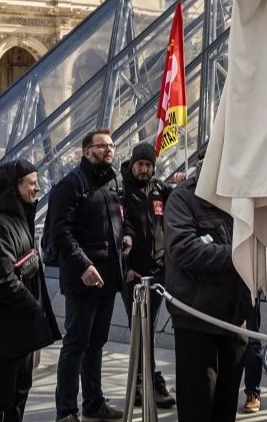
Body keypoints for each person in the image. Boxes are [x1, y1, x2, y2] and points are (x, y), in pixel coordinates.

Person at [164, 151, 253, 422]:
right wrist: (238, 253)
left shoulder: (244, 193)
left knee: (226, 407)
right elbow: (183, 249)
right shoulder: (183, 198)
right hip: (197, 319)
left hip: (236, 318)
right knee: (197, 408)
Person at [47, 129, 126, 422]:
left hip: (108, 279)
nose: (108, 150)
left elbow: (119, 223)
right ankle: (66, 410)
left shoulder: (111, 183)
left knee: (97, 344)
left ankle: (93, 402)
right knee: (76, 344)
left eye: (111, 145)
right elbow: (60, 231)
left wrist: (126, 240)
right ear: (86, 151)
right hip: (83, 280)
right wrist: (83, 265)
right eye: (102, 146)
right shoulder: (72, 184)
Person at [0, 160, 60, 422]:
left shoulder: (18, 219)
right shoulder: (0, 226)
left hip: (21, 327)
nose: (38, 188)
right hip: (9, 327)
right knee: (2, 395)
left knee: (20, 391)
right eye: (32, 183)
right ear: (16, 187)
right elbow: (4, 279)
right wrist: (34, 308)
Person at [119, 142, 175, 409]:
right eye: (140, 164)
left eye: (149, 165)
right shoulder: (120, 190)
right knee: (142, 331)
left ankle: (144, 382)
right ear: (132, 163)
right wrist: (124, 266)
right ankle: (149, 382)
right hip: (133, 273)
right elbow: (117, 230)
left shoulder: (158, 189)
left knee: (147, 330)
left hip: (158, 271)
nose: (144, 169)